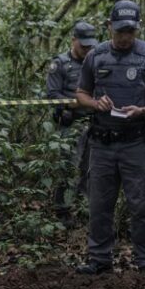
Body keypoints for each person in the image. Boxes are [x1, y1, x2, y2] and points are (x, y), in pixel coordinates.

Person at [75, 0, 145, 275]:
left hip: (137, 144)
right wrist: (94, 103)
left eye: (130, 31)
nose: (124, 37)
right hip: (102, 145)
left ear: (137, 28)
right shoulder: (95, 56)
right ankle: (99, 261)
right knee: (99, 205)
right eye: (120, 31)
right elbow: (80, 94)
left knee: (142, 205)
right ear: (109, 26)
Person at [46, 21, 98, 229]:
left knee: (90, 167)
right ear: (73, 40)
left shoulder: (95, 61)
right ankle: (62, 209)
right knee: (68, 167)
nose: (86, 49)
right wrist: (70, 105)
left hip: (93, 123)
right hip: (70, 124)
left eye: (89, 46)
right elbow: (52, 95)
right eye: (83, 45)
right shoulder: (60, 64)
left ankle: (85, 207)